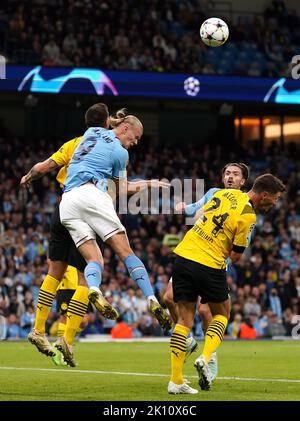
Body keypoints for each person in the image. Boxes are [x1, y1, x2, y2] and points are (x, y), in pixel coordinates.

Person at [57, 109, 172, 366]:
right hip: (91, 195)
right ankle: (152, 299)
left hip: (67, 201)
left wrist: (149, 182)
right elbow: (121, 190)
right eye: (136, 136)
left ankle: (95, 290)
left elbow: (102, 117)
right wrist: (149, 184)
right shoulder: (122, 153)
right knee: (126, 252)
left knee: (94, 258)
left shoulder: (91, 131)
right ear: (125, 129)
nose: (136, 142)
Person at [168, 173, 285, 394]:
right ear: (264, 195)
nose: (275, 202)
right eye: (276, 198)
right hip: (209, 263)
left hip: (183, 255)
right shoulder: (249, 216)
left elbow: (200, 215)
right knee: (222, 314)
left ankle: (175, 380)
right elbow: (236, 256)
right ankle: (205, 357)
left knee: (183, 320)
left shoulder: (225, 193)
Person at [21, 103, 114, 358]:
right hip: (85, 211)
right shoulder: (109, 146)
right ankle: (67, 338)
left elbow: (44, 166)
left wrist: (28, 177)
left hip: (62, 207)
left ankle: (38, 329)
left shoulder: (74, 143)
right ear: (106, 123)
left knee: (54, 271)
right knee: (87, 275)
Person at [164, 163, 249, 380]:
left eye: (235, 174)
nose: (230, 177)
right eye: (227, 173)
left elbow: (240, 246)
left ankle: (210, 357)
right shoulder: (214, 193)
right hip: (193, 253)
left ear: (243, 182)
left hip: (213, 260)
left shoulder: (245, 208)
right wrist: (184, 207)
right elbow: (195, 208)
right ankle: (188, 339)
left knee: (205, 312)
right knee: (168, 298)